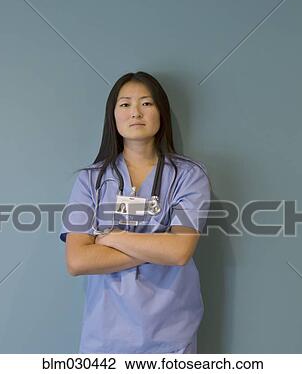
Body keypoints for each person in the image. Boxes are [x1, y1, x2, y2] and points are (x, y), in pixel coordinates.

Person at [59, 71, 212, 354]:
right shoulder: (88, 181)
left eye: (147, 103)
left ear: (161, 112)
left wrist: (109, 237)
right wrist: (158, 244)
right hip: (105, 339)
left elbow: (179, 252)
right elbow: (77, 260)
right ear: (113, 115)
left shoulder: (190, 176)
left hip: (172, 335)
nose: (136, 113)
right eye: (125, 104)